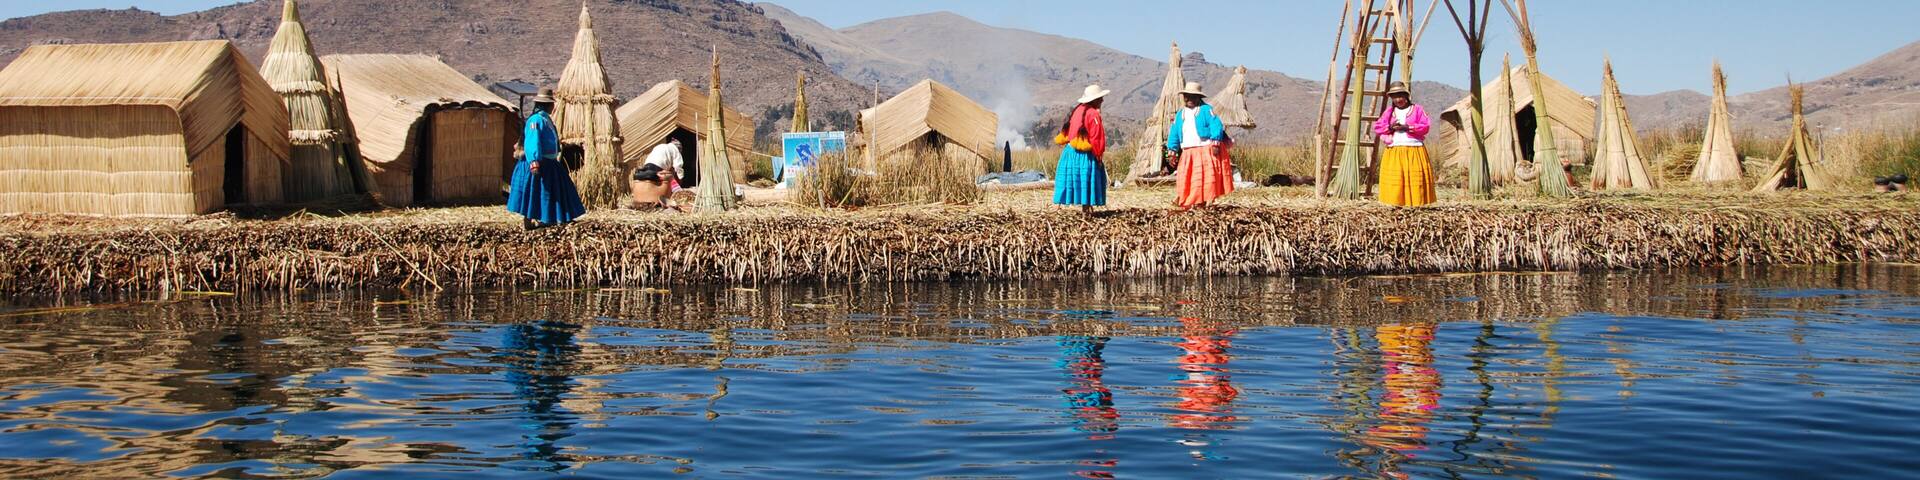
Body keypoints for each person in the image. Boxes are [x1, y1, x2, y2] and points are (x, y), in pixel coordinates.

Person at [507, 88, 586, 229]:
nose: (553, 107)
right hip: (538, 162)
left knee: (552, 190)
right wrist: (534, 161)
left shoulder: (546, 119)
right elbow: (532, 141)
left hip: (549, 162)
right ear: (546, 105)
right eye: (551, 104)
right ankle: (532, 221)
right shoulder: (536, 120)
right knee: (535, 192)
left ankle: (552, 218)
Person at [1166, 82, 1233, 211]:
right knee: (1188, 177)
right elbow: (1174, 132)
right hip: (1188, 151)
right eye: (1186, 96)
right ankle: (1186, 199)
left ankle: (1206, 199)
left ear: (1198, 97)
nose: (1189, 99)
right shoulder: (1180, 114)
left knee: (1207, 176)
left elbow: (1216, 125)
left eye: (1192, 96)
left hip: (1205, 149)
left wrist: (1215, 142)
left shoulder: (1206, 110)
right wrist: (1172, 150)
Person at [1373, 82, 1436, 207]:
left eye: (1400, 96)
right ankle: (1395, 203)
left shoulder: (1417, 109)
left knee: (1414, 178)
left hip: (1414, 150)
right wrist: (1390, 127)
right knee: (1396, 178)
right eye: (1394, 97)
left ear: (1406, 96)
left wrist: (1408, 127)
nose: (1398, 99)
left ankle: (1416, 204)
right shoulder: (1389, 112)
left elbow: (1425, 126)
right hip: (1394, 150)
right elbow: (1378, 127)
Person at [1053, 84, 1111, 215]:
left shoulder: (1077, 110)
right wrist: (1098, 156)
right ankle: (1087, 209)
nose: (1102, 100)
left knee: (1070, 182)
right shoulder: (1093, 114)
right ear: (1094, 100)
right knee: (1087, 180)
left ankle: (1058, 209)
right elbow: (1096, 137)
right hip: (1085, 156)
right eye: (1100, 98)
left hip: (1070, 153)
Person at [632, 138, 686, 211]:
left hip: (647, 166)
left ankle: (645, 201)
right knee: (668, 179)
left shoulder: (660, 146)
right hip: (657, 167)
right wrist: (680, 178)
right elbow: (678, 167)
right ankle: (661, 199)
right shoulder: (676, 151)